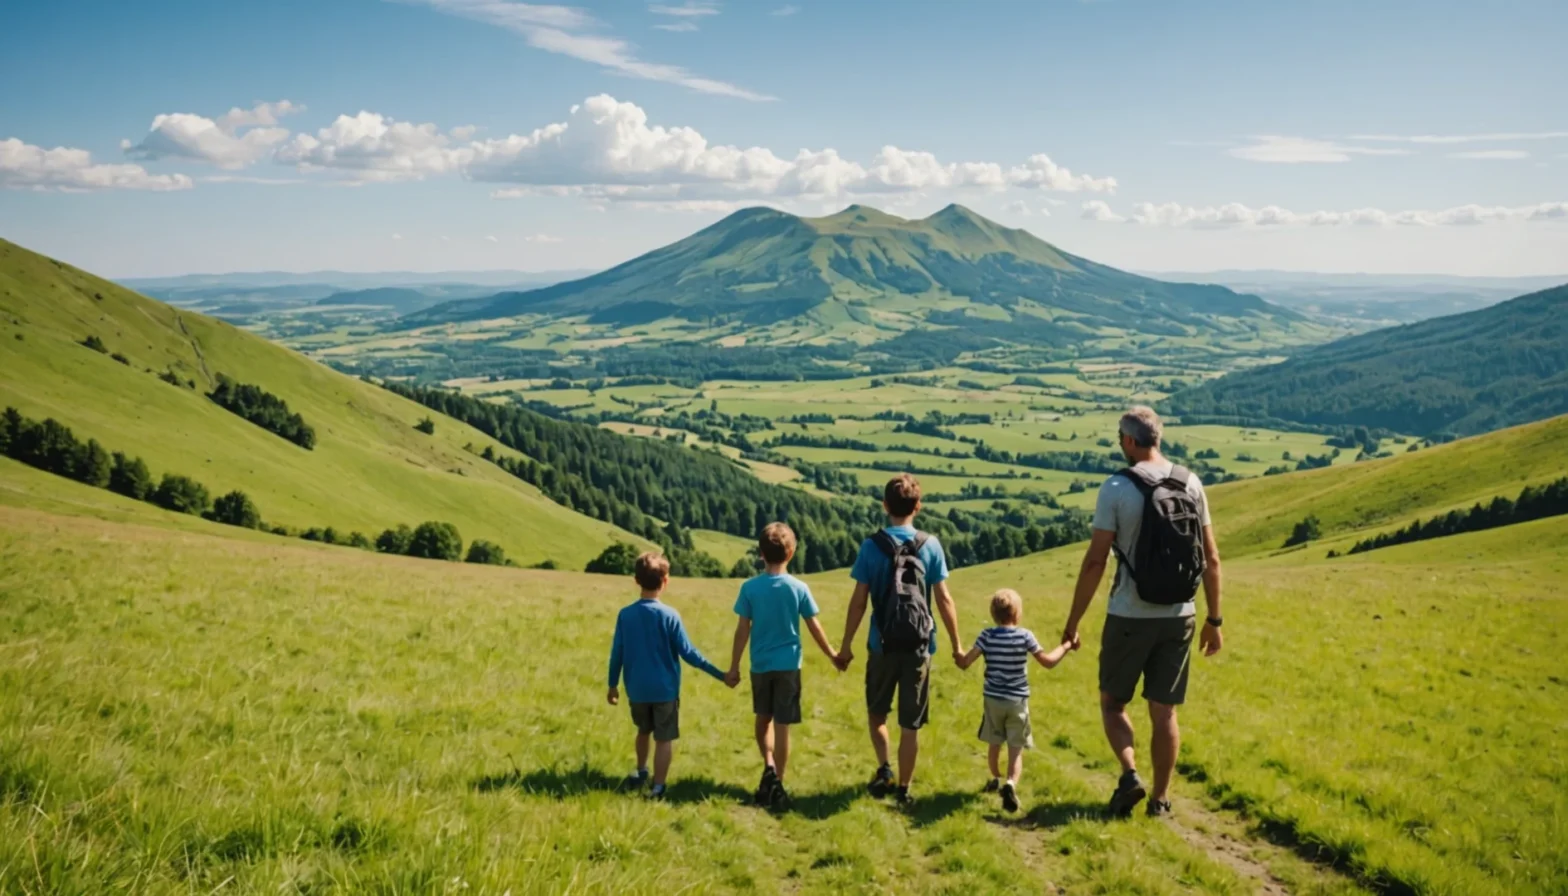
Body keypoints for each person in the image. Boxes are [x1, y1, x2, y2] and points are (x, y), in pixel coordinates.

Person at [1060, 406, 1224, 818]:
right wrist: (1214, 620)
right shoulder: (1191, 483)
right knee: (1164, 710)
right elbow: (1212, 559)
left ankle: (1131, 774)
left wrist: (1073, 621)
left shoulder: (1116, 487)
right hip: (1181, 614)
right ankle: (1162, 800)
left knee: (1113, 703)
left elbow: (1096, 561)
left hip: (1130, 614)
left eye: (1120, 437)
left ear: (1131, 442)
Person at [836, 473, 963, 806]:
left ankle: (884, 769)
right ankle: (905, 789)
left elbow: (859, 601)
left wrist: (846, 645)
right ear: (918, 507)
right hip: (921, 647)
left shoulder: (871, 547)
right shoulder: (930, 545)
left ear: (884, 506)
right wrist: (957, 644)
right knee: (911, 723)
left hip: (881, 646)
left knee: (877, 714)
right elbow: (945, 599)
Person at [724, 522, 841, 810]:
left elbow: (742, 630)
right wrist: (832, 654)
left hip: (760, 665)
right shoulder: (799, 588)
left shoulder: (749, 587)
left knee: (763, 719)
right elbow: (813, 626)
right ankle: (778, 781)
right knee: (782, 725)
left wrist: (734, 666)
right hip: (789, 665)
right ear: (792, 552)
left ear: (761, 553)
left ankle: (768, 766)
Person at [607, 552, 733, 800]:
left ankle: (641, 770)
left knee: (643, 731)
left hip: (637, 689)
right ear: (665, 581)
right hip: (665, 691)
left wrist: (612, 686)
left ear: (636, 580)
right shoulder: (670, 616)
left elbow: (617, 654)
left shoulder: (625, 614)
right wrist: (721, 675)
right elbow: (689, 653)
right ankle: (658, 786)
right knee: (664, 739)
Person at [956, 588, 1073, 813]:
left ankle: (995, 778)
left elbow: (965, 662)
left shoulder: (986, 635)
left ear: (993, 614)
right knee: (1015, 748)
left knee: (994, 742)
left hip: (993, 700)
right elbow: (1048, 662)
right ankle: (1011, 782)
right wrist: (1066, 646)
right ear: (1017, 614)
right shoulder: (1025, 636)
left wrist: (959, 653)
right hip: (1017, 701)